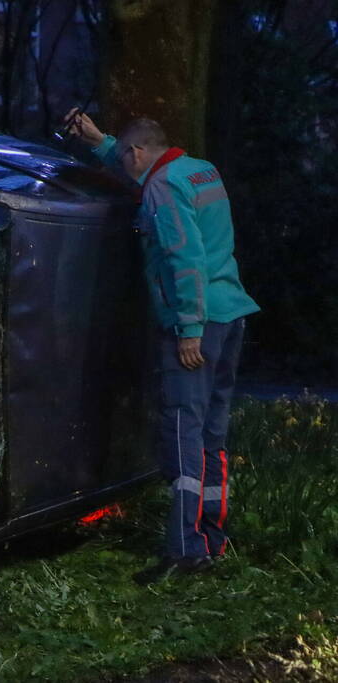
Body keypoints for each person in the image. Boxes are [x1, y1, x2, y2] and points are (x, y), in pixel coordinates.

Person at [63, 109, 260, 584]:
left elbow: (183, 257)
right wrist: (99, 142)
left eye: (125, 156)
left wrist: (188, 329)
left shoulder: (162, 186)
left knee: (181, 433)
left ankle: (185, 551)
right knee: (211, 434)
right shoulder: (196, 169)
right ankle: (212, 539)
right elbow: (142, 166)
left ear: (137, 154)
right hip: (229, 312)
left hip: (196, 322)